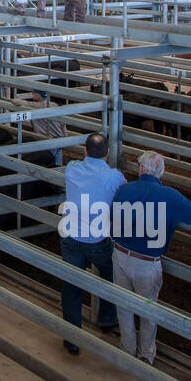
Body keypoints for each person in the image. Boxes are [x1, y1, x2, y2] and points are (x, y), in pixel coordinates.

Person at [110, 151, 191, 363]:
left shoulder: (124, 189)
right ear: (161, 173)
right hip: (147, 262)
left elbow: (113, 215)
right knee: (148, 310)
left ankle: (127, 349)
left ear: (141, 169)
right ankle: (146, 354)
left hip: (122, 254)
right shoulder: (170, 195)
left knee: (123, 306)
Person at [58, 133, 125, 354]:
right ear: (107, 153)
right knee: (111, 274)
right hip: (97, 239)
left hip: (71, 236)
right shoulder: (114, 176)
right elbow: (123, 193)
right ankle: (107, 318)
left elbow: (74, 165)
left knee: (71, 285)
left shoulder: (72, 169)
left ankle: (72, 338)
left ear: (85, 151)